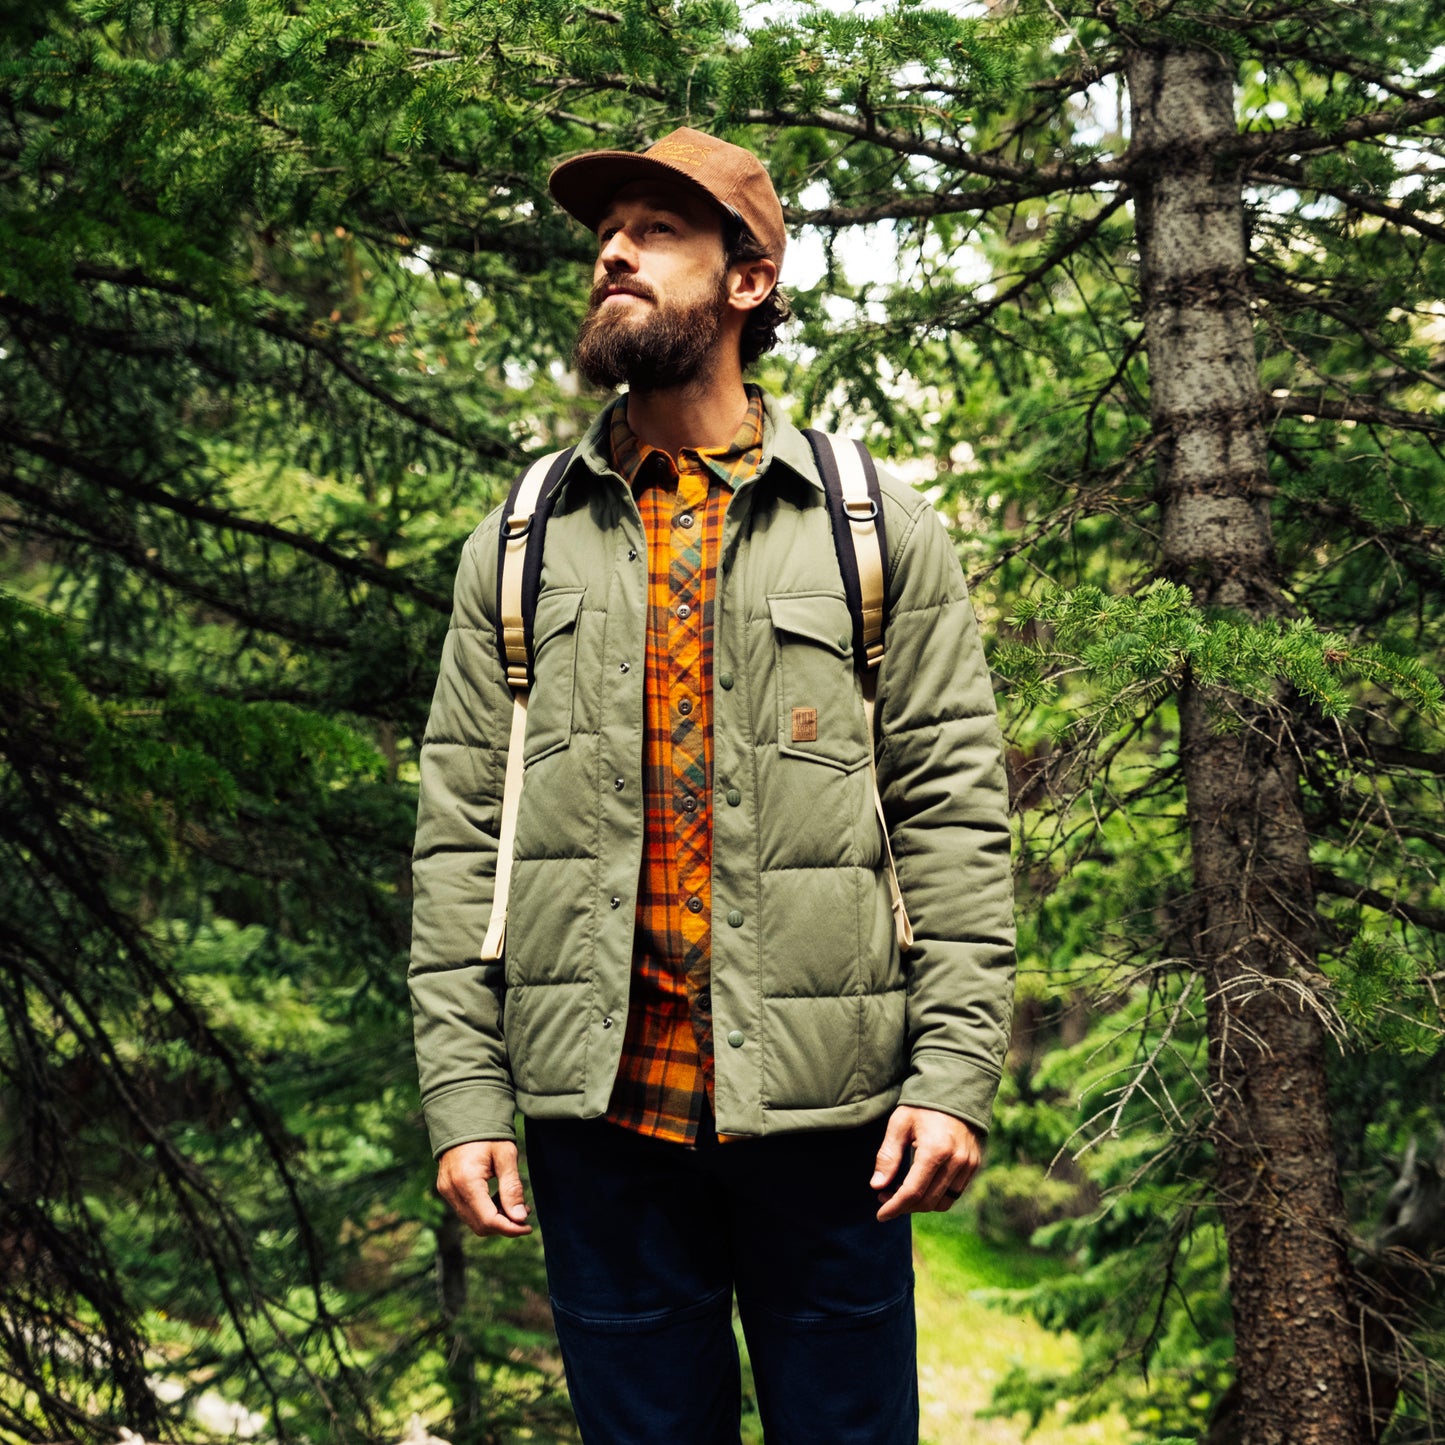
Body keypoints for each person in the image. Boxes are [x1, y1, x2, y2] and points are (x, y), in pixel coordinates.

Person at [407, 126, 1016, 1445]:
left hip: (831, 1121)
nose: (611, 253)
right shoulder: (516, 548)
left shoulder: (872, 530)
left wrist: (953, 1072)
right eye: (604, 234)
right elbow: (464, 840)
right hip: (602, 1122)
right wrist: (463, 1093)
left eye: (655, 231)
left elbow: (952, 815)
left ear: (746, 280)